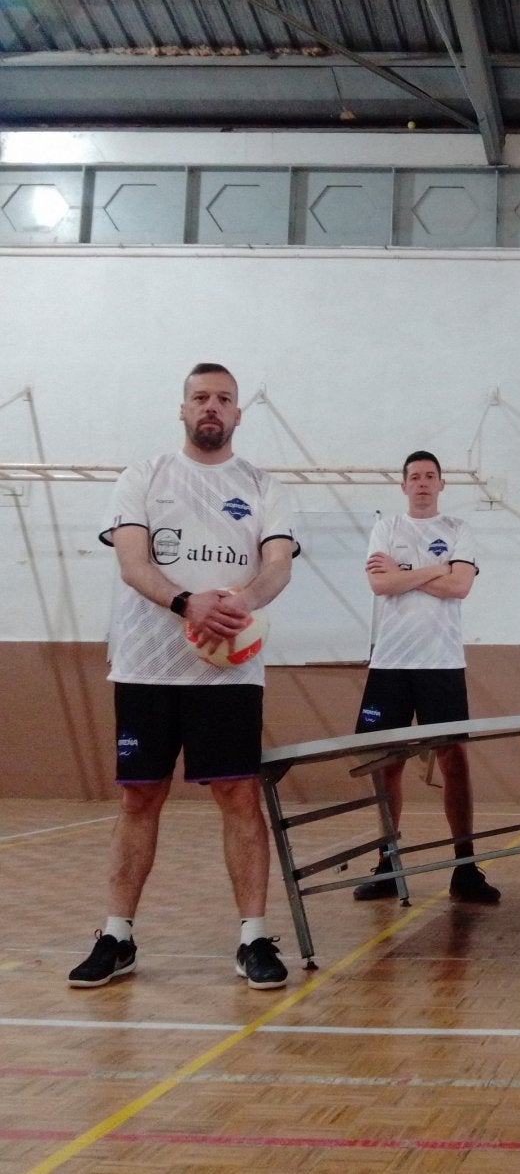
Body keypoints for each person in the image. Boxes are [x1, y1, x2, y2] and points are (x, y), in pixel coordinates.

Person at [70, 364, 298, 990]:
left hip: (230, 676)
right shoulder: (143, 475)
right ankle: (117, 934)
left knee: (239, 797)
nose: (212, 408)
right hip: (146, 667)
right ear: (182, 408)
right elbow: (131, 561)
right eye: (201, 397)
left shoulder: (262, 484)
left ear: (237, 414)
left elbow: (278, 565)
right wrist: (184, 603)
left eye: (224, 399)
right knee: (140, 797)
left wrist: (246, 598)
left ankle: (253, 938)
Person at [348, 451, 499, 905]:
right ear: (403, 485)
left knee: (455, 761)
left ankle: (464, 866)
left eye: (430, 476)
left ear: (441, 484)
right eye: (414, 477)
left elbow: (460, 587)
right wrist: (438, 568)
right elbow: (379, 585)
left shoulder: (458, 530)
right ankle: (388, 863)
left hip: (442, 665)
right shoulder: (387, 528)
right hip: (391, 665)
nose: (422, 483)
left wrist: (406, 573)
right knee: (386, 764)